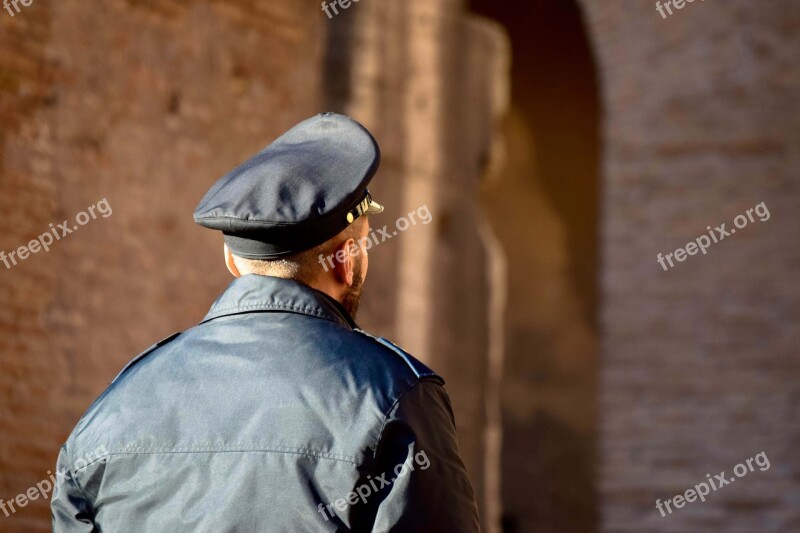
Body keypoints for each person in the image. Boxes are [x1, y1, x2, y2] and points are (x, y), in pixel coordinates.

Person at [51, 113, 480, 532]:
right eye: (363, 245)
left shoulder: (109, 411)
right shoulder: (397, 397)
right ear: (346, 261)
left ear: (232, 261)